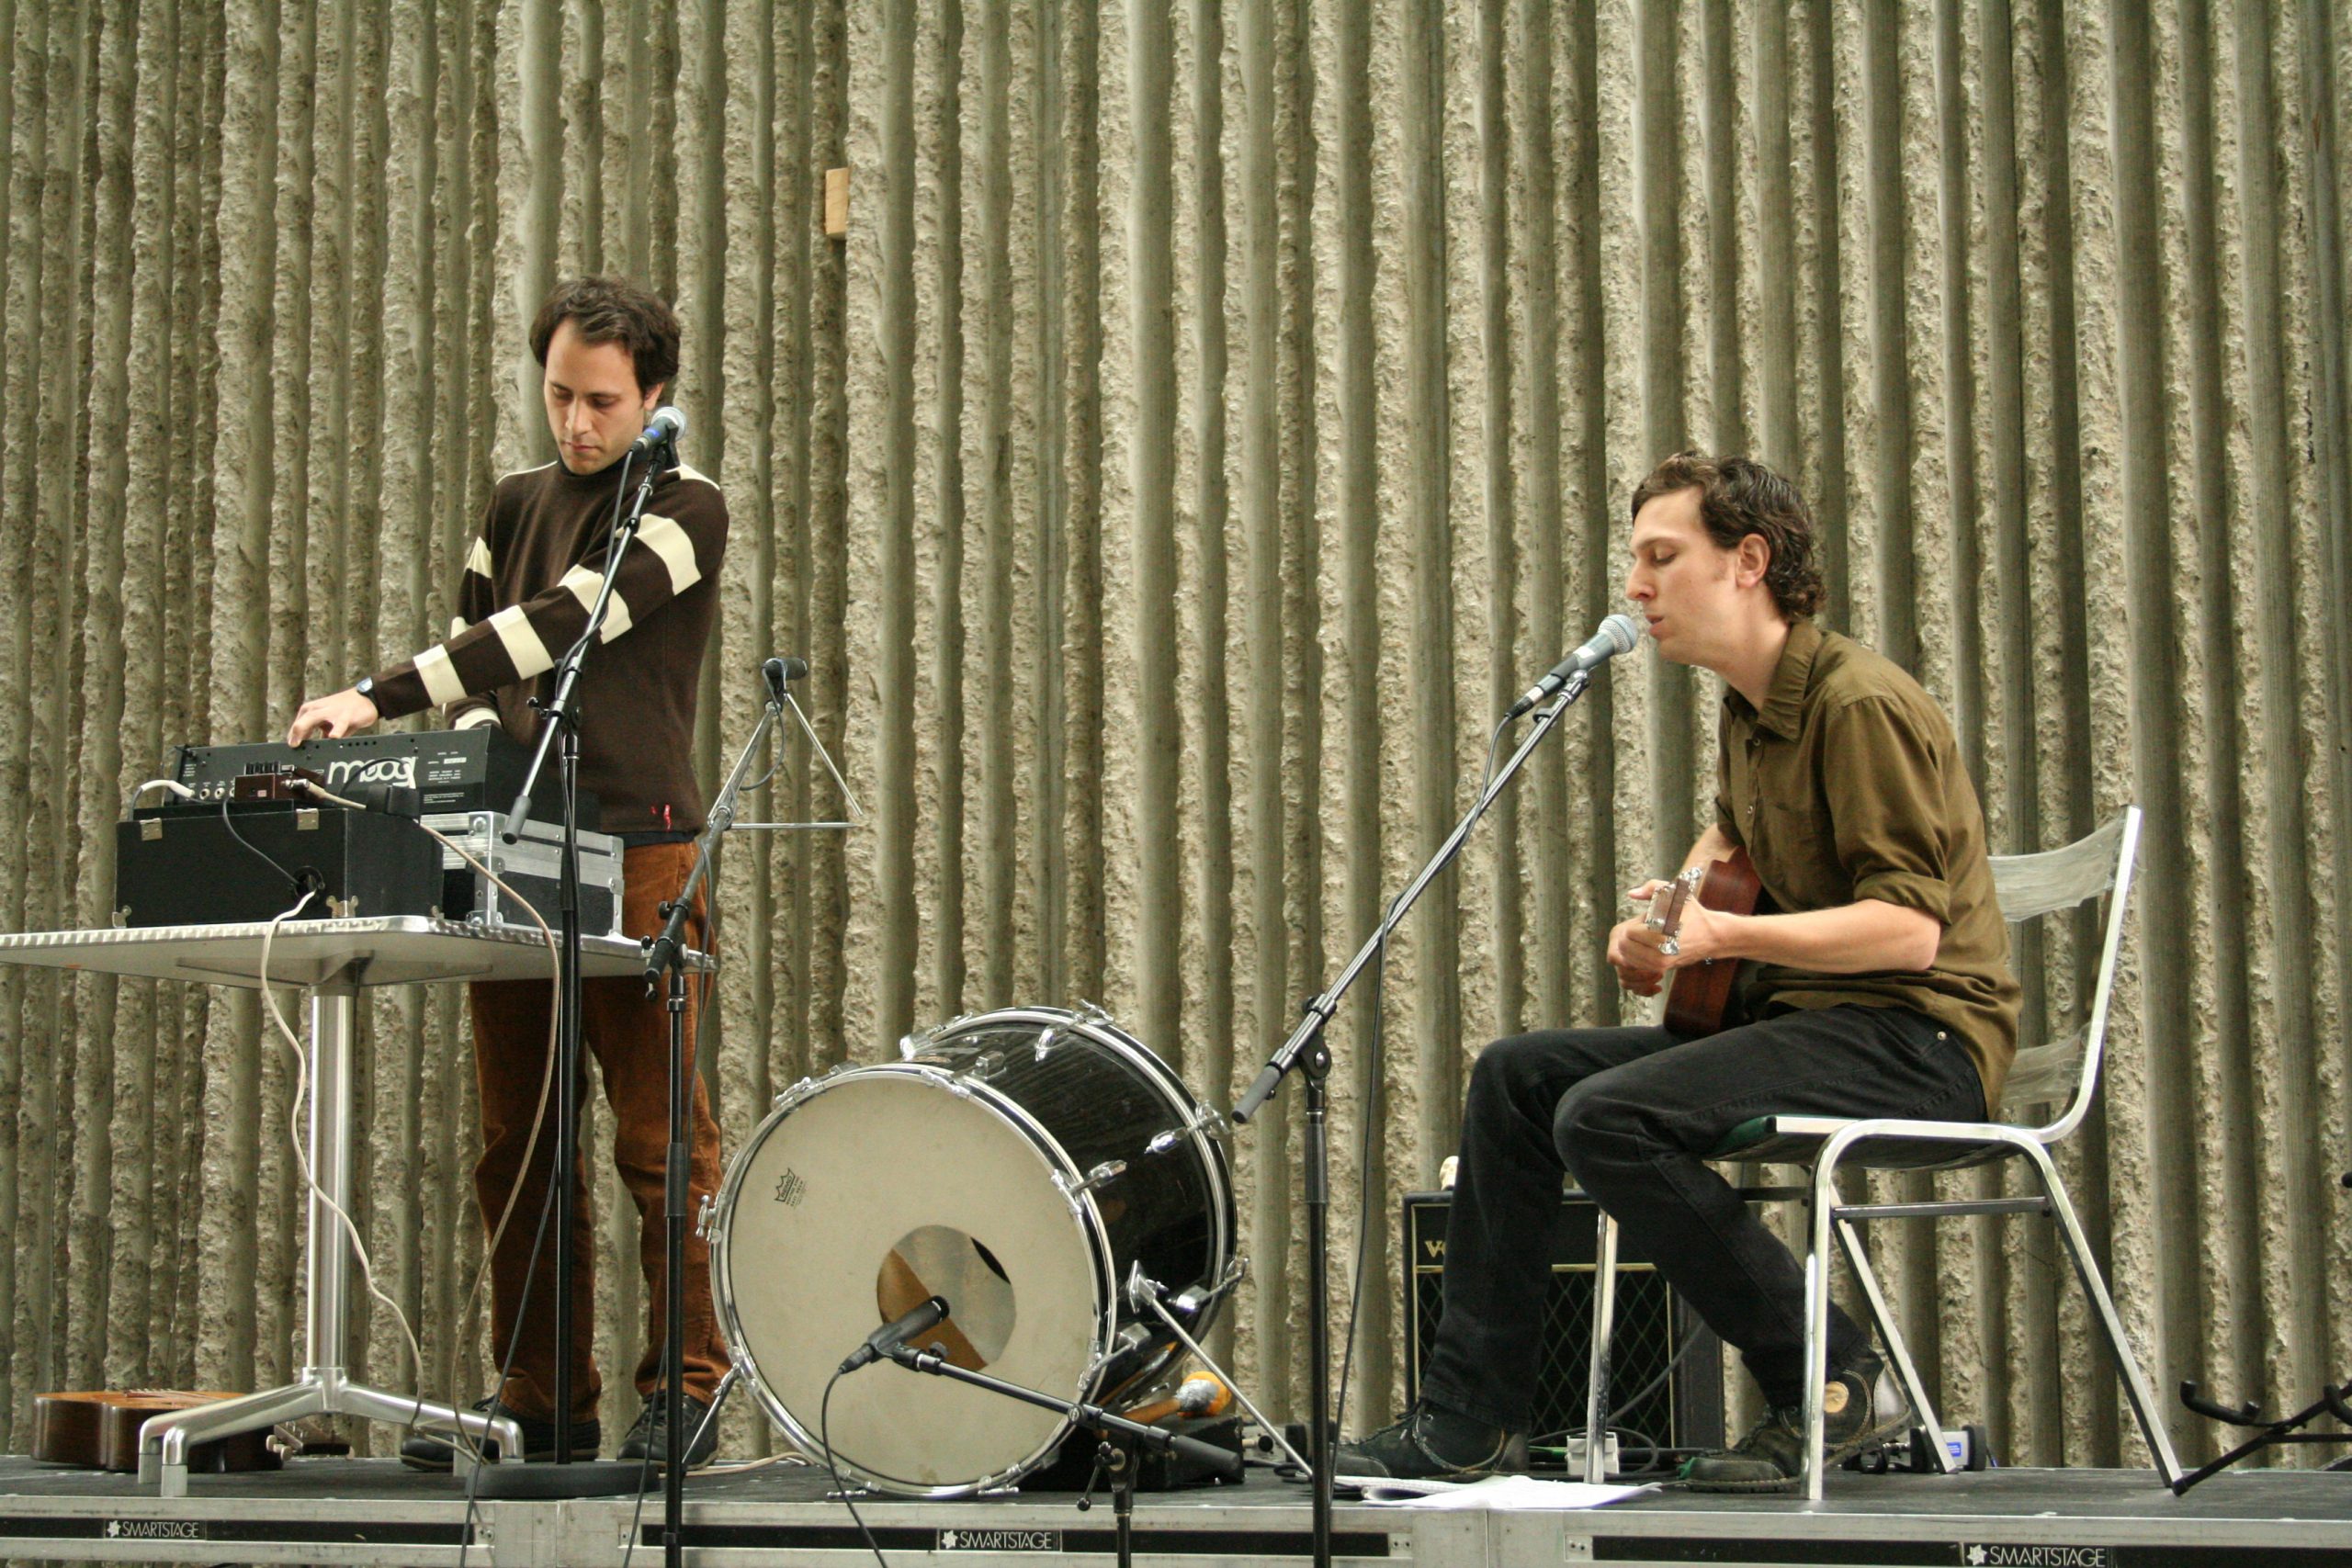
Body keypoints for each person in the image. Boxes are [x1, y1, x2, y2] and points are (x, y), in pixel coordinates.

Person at [1340, 452, 2019, 1492]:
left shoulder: (1857, 705)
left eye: (1662, 557)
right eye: (1637, 561)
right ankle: (1468, 1421)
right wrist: (1664, 925)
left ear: (1749, 561)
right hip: (1811, 1026)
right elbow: (1730, 845)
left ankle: (1832, 1377)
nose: (1636, 586)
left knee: (1607, 1116)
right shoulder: (1751, 709)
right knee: (1519, 1077)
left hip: (1918, 1041)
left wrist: (1720, 938)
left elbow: (1909, 933)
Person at [287, 275, 731, 1469]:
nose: (576, 423)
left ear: (655, 396)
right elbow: (480, 650)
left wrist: (374, 695)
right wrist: (468, 755)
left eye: (602, 402)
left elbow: (557, 623)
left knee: (661, 1138)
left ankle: (687, 1387)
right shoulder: (513, 500)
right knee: (519, 1144)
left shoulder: (686, 506)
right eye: (558, 395)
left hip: (642, 848)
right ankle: (541, 1400)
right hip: (519, 852)